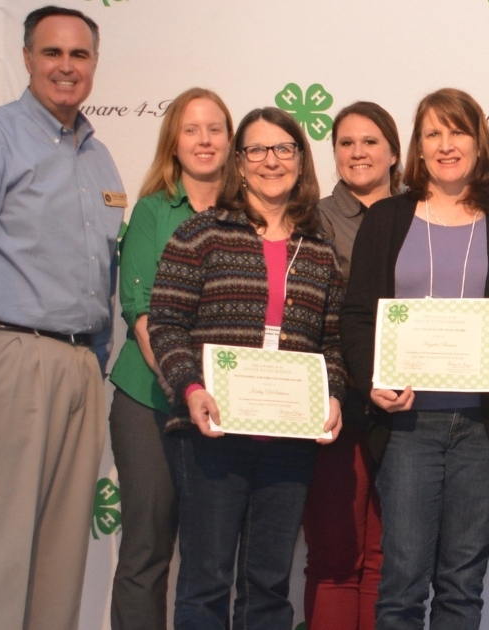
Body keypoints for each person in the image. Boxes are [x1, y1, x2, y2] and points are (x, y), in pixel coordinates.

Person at [0, 6, 122, 629]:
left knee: (61, 556)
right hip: (6, 360)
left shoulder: (100, 159)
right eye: (52, 53)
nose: (67, 67)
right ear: (29, 58)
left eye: (80, 55)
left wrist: (94, 364)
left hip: (81, 366)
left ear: (94, 64)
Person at [340, 87, 489, 630]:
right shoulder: (386, 219)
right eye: (433, 133)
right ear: (417, 148)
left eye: (458, 132)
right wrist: (370, 380)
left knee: (461, 585)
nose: (446, 144)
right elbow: (357, 317)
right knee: (401, 584)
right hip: (407, 422)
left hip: (485, 426)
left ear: (479, 142)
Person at [149, 107, 344, 629]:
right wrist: (190, 387)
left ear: (301, 160)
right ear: (239, 162)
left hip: (288, 439)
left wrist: (335, 395)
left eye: (283, 148)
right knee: (206, 581)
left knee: (268, 585)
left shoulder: (319, 246)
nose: (270, 161)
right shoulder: (201, 234)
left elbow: (332, 342)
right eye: (256, 150)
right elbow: (165, 321)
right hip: (212, 434)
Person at [107, 88, 233, 630]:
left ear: (231, 140)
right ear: (173, 143)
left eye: (215, 129)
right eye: (191, 130)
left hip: (231, 405)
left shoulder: (249, 213)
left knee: (211, 558)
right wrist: (187, 386)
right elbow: (140, 315)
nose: (204, 141)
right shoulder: (153, 212)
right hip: (150, 401)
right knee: (146, 549)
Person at [303, 101, 400, 630]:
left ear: (393, 151)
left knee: (391, 558)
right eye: (346, 142)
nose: (358, 152)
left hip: (408, 403)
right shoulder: (312, 218)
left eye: (370, 141)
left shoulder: (423, 213)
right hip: (335, 399)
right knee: (336, 554)